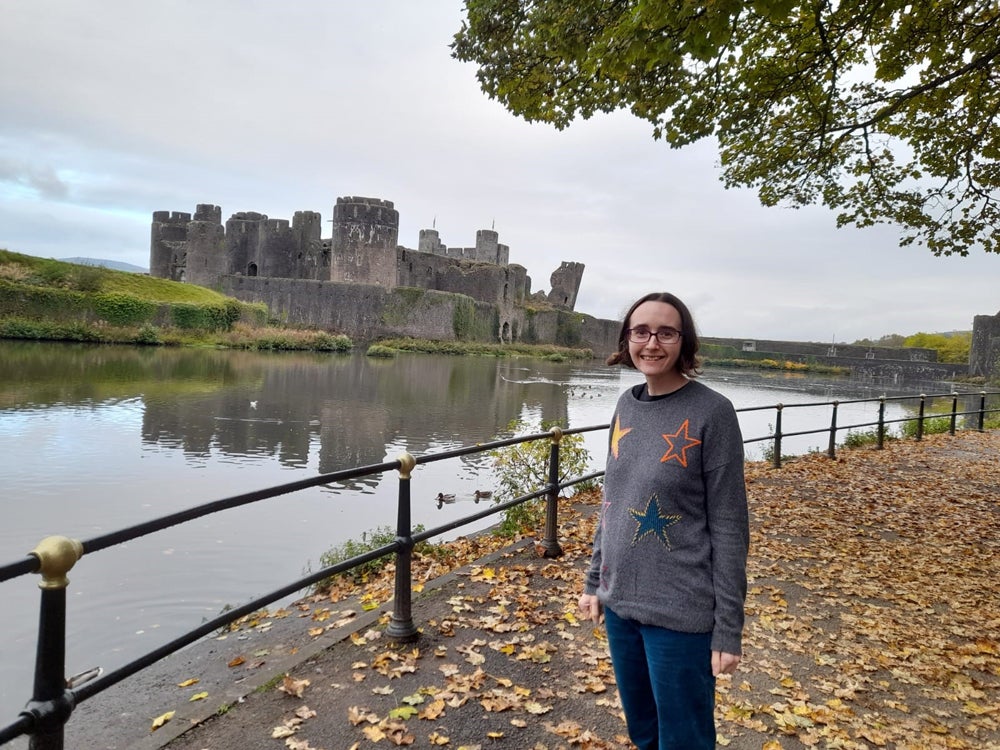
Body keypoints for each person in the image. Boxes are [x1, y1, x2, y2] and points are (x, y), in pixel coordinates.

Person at [578, 291, 749, 749]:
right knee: (644, 733)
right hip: (620, 607)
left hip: (681, 612)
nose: (651, 343)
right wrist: (595, 582)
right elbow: (612, 502)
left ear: (684, 341)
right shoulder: (626, 406)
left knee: (685, 739)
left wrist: (728, 628)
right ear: (627, 339)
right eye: (641, 331)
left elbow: (731, 528)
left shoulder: (713, 412)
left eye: (666, 332)